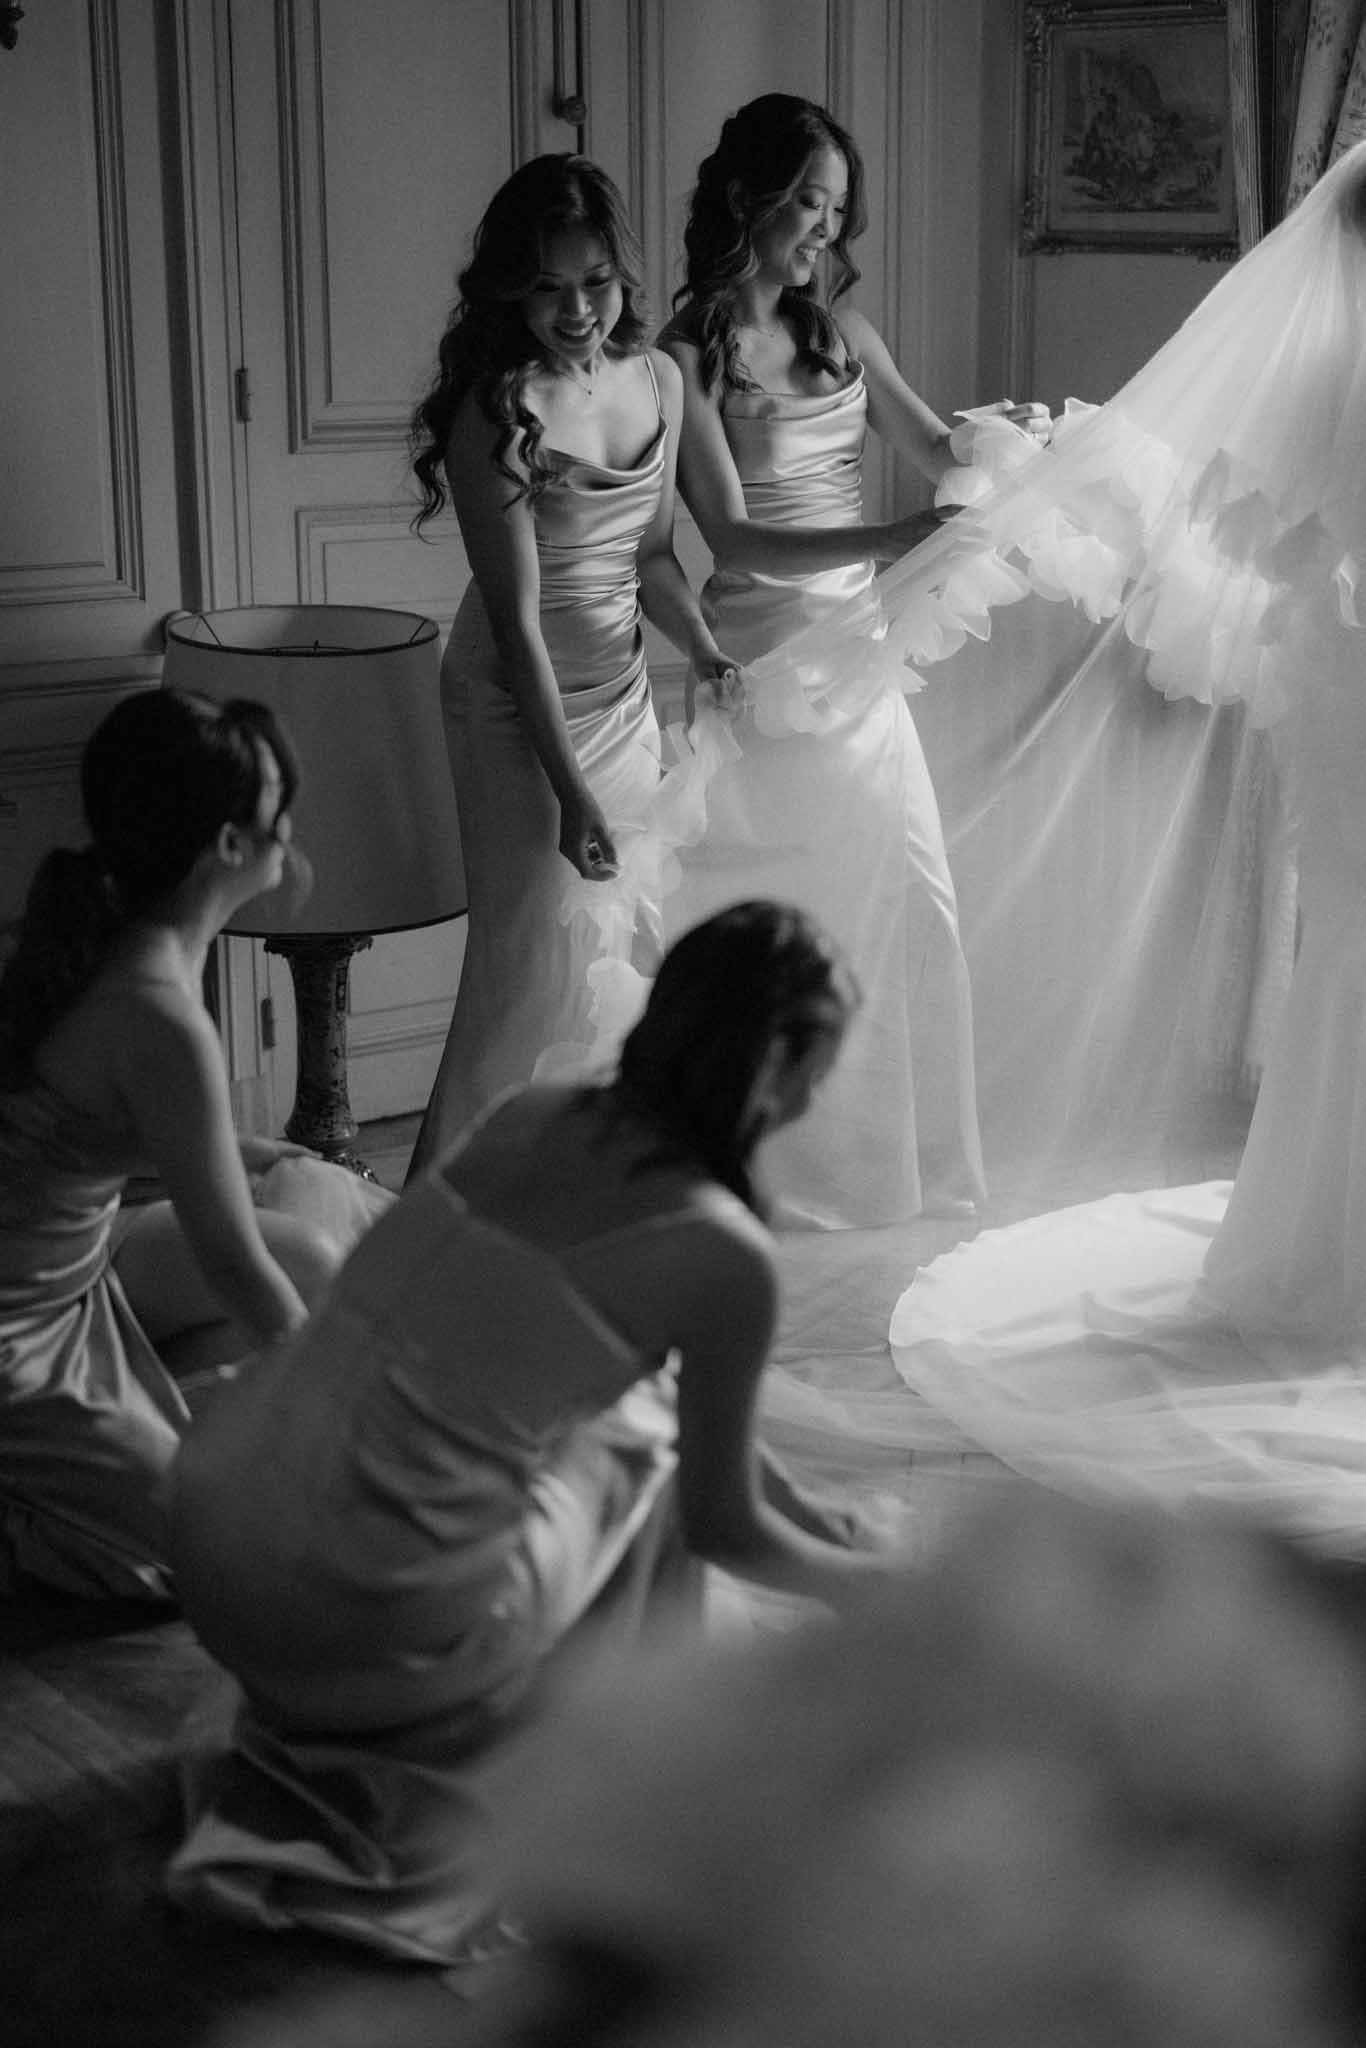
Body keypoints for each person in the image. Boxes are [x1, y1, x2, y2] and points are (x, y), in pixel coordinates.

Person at [165, 901, 888, 1968]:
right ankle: (629, 1781)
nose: (822, 1091)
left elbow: (659, 1400)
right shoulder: (721, 1248)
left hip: (212, 1545)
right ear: (776, 1059)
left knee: (620, 1429)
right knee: (643, 1458)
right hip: (358, 1625)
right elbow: (723, 1522)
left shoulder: (533, 1110)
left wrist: (811, 1510)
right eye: (822, 1060)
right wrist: (879, 1589)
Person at [652, 93, 1051, 1228]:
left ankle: (901, 1164)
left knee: (910, 893)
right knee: (771, 901)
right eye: (805, 202)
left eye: (835, 207)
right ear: (745, 199)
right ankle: (765, 1156)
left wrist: (1011, 448)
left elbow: (933, 451)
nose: (824, 228)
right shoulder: (683, 360)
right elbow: (725, 534)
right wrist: (885, 543)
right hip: (764, 652)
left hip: (861, 664)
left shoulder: (846, 339)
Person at [404, 155, 737, 1179]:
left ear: (621, 274)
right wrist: (571, 794)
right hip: (516, 711)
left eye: (593, 279)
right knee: (522, 968)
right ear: (511, 289)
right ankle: (437, 1215)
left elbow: (647, 559)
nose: (576, 308)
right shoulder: (493, 413)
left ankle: (573, 1197)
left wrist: (710, 653)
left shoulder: (661, 380)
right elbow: (517, 630)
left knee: (611, 956)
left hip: (622, 696)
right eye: (547, 286)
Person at [0, 688, 349, 1604]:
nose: (291, 830)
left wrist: (254, 1151)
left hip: (78, 1272)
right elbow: (233, 1265)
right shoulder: (156, 1007)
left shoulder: (120, 933)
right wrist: (355, 1411)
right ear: (230, 846)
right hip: (16, 1328)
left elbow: (104, 1122)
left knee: (314, 1260)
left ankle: (136, 1429)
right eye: (280, 810)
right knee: (204, 1554)